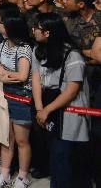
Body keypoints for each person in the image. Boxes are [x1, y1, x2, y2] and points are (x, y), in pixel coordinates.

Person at [31, 13, 91, 188]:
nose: (33, 30)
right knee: (55, 156)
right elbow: (36, 78)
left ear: (48, 33)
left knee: (65, 156)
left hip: (70, 112)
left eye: (37, 28)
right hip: (49, 108)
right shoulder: (38, 51)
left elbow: (72, 91)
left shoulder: (72, 56)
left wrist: (47, 110)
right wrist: (39, 107)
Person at [0, 9, 33, 188]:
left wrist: (3, 73)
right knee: (7, 138)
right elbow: (1, 67)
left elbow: (22, 76)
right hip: (5, 96)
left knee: (22, 140)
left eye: (2, 23)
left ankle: (23, 176)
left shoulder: (24, 48)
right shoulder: (3, 44)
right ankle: (4, 174)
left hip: (21, 98)